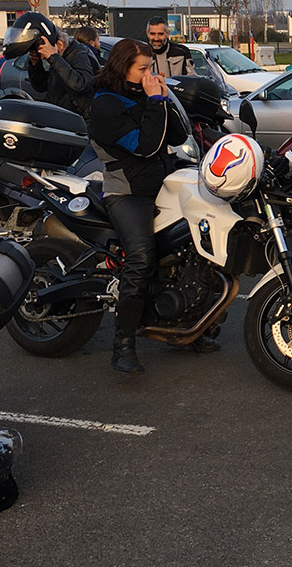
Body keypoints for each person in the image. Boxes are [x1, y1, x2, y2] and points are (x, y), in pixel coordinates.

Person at [88, 39, 189, 374]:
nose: (150, 74)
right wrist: (155, 102)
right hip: (127, 193)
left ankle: (187, 326)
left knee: (189, 246)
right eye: (143, 69)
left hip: (161, 186)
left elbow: (176, 136)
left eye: (152, 68)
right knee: (142, 256)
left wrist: (165, 98)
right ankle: (124, 343)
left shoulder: (141, 94)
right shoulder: (106, 105)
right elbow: (145, 147)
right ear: (123, 68)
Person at [5, 11, 96, 115]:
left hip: (82, 120)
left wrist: (53, 57)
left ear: (60, 45)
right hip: (62, 116)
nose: (43, 57)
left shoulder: (79, 55)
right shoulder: (59, 60)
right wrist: (35, 65)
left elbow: (81, 85)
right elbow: (41, 86)